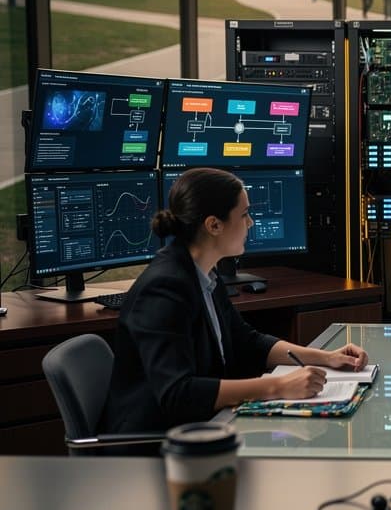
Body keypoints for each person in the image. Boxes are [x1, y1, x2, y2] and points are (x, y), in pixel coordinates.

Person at [102, 168, 369, 435]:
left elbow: (247, 342)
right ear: (214, 225)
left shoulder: (204, 273)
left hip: (203, 427)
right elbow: (177, 393)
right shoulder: (164, 289)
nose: (250, 222)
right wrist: (278, 387)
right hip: (155, 445)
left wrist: (327, 358)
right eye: (244, 214)